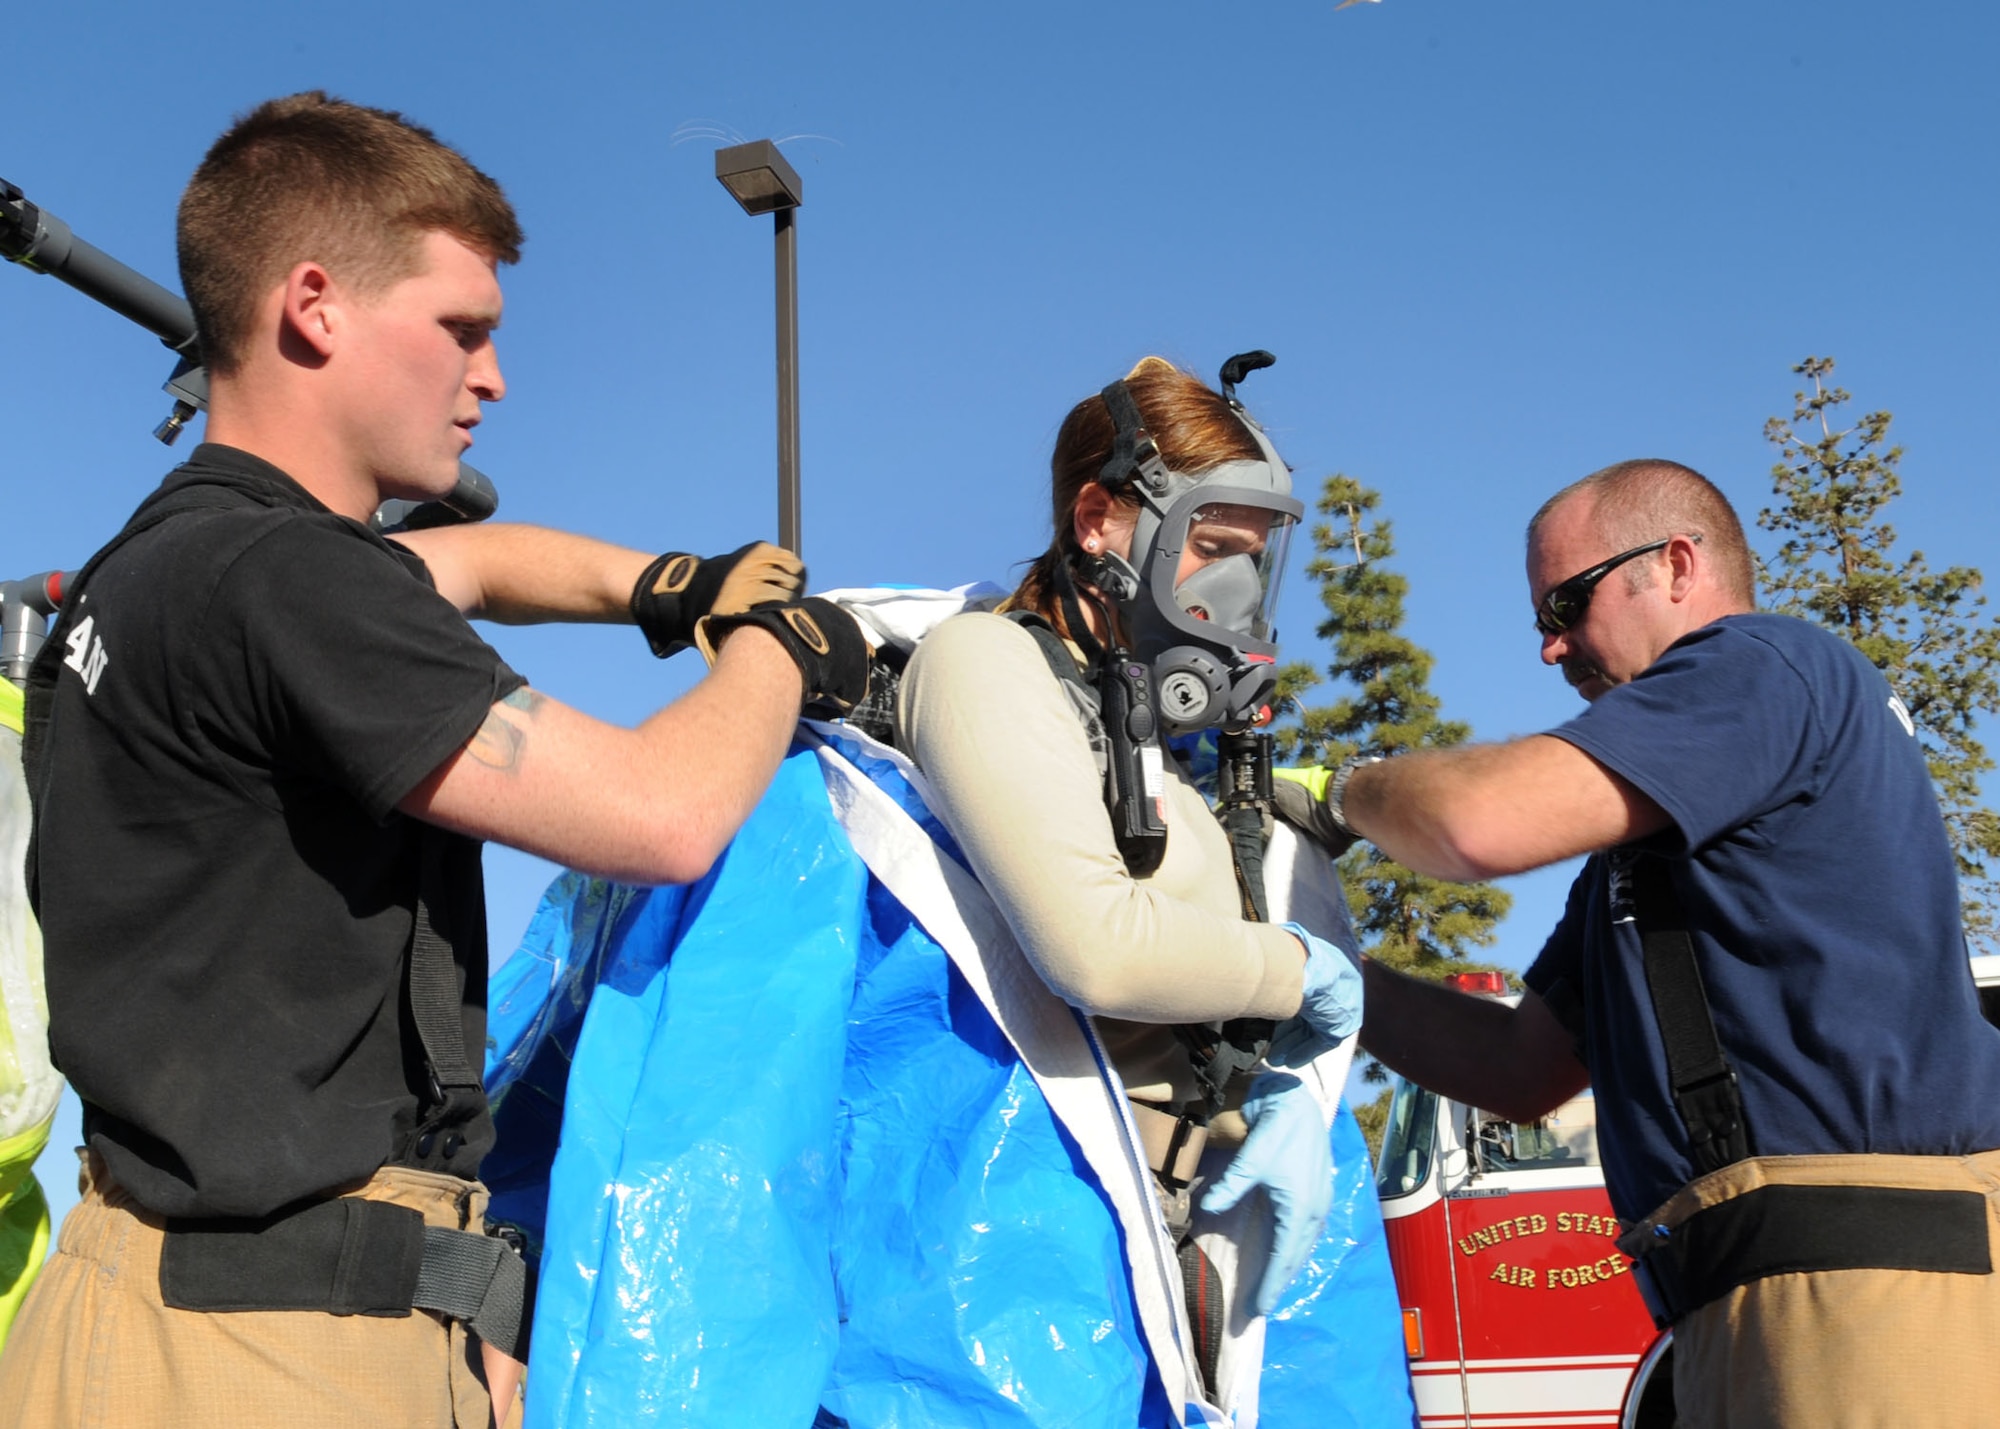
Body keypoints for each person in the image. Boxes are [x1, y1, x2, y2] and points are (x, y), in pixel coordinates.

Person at [0, 92, 867, 1429]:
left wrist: (674, 583)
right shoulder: (292, 583)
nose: (493, 378)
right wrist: (779, 644)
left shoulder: (157, 571)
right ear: (315, 305)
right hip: (275, 1361)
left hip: (128, 1305)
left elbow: (467, 562)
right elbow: (666, 813)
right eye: (463, 329)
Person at [1316, 458, 2000, 1424]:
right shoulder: (1662, 841)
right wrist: (1315, 969)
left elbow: (1476, 821)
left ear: (1678, 563)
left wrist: (1340, 794)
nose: (1552, 648)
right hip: (1746, 1294)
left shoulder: (1757, 664)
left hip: (1862, 1286)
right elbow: (1517, 1066)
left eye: (1565, 602)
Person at [894, 357, 1363, 1387]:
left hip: (1184, 1271)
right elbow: (1096, 949)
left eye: (1250, 558)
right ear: (1098, 519)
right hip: (1052, 1283)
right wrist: (1304, 974)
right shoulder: (984, 664)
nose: (1233, 591)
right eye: (1209, 546)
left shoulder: (1146, 742)